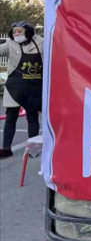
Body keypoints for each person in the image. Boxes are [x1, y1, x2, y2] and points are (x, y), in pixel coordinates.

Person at [0, 22, 43, 159]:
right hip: (14, 86)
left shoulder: (41, 42)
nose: (16, 34)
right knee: (10, 116)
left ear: (28, 32)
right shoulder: (10, 43)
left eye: (19, 32)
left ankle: (33, 150)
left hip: (33, 87)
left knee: (32, 116)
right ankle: (6, 148)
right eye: (14, 32)